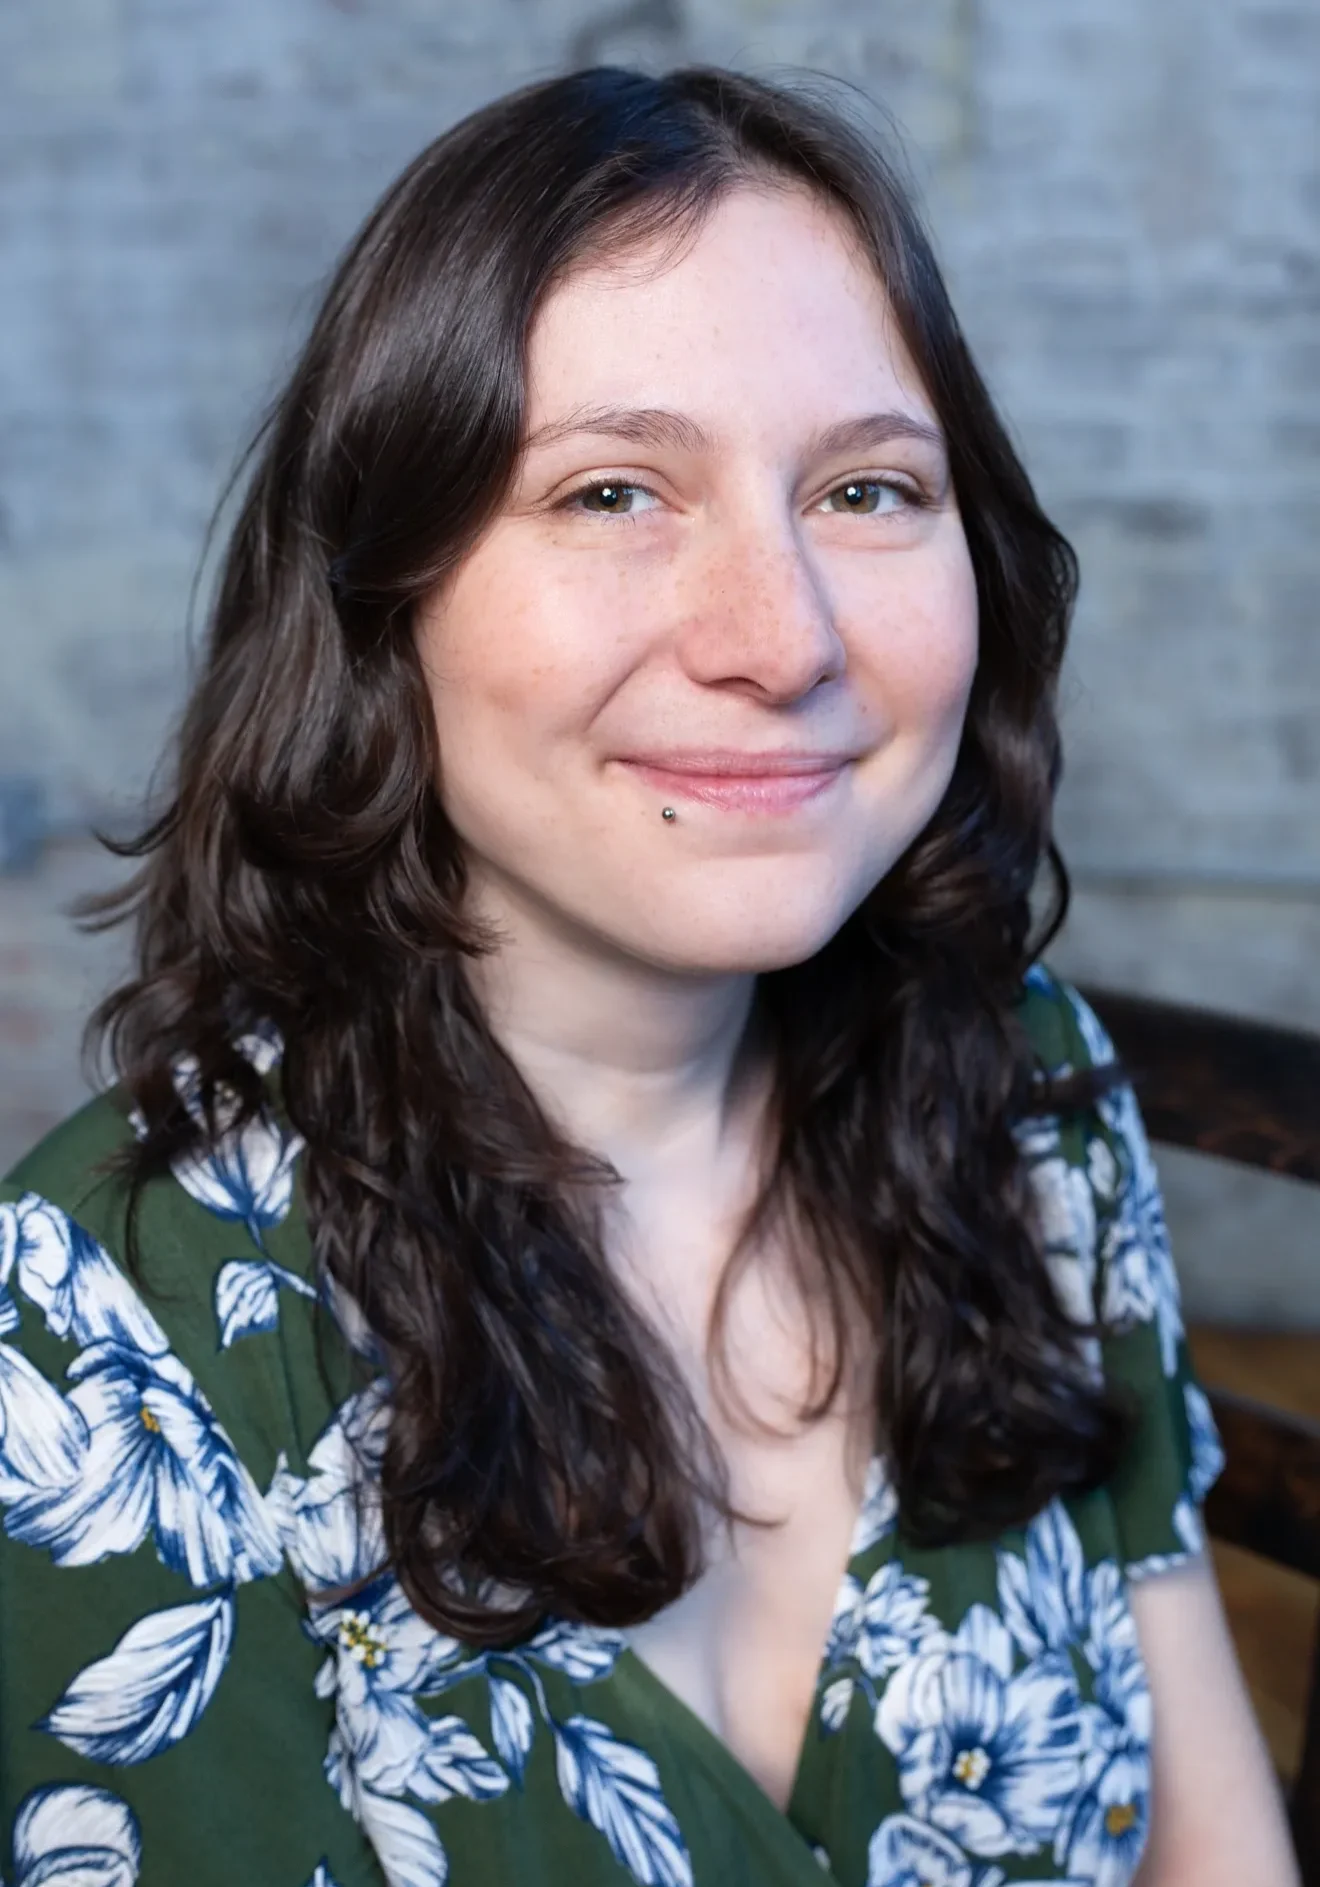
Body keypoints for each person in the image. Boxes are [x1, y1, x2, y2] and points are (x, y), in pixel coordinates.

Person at [0, 63, 1298, 1887]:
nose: (781, 639)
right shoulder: (97, 1338)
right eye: (613, 490)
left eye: (865, 487)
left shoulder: (1021, 1087)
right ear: (383, 599)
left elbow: (1214, 1849)